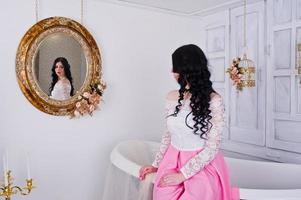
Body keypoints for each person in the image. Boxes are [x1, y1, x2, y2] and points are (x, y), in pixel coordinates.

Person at [139, 44, 240, 200]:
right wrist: (156, 164)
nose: (172, 72)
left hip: (201, 164)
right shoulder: (172, 96)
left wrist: (183, 175)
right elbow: (168, 135)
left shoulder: (214, 100)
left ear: (188, 70)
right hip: (172, 159)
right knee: (162, 193)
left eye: (175, 67)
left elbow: (212, 146)